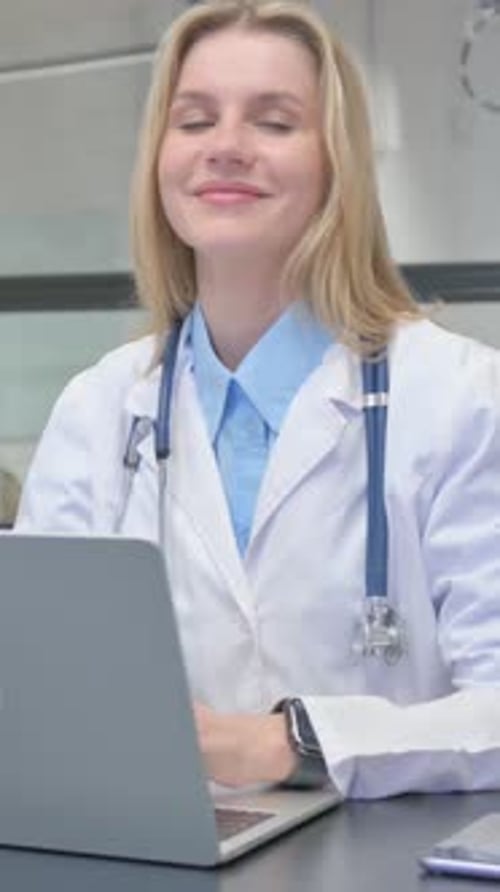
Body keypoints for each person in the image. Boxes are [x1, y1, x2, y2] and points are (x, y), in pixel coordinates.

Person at [15, 0, 500, 799]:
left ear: (336, 161)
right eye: (195, 120)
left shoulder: (459, 399)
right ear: (160, 159)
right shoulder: (99, 410)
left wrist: (299, 742)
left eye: (274, 122)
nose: (226, 149)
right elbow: (38, 691)